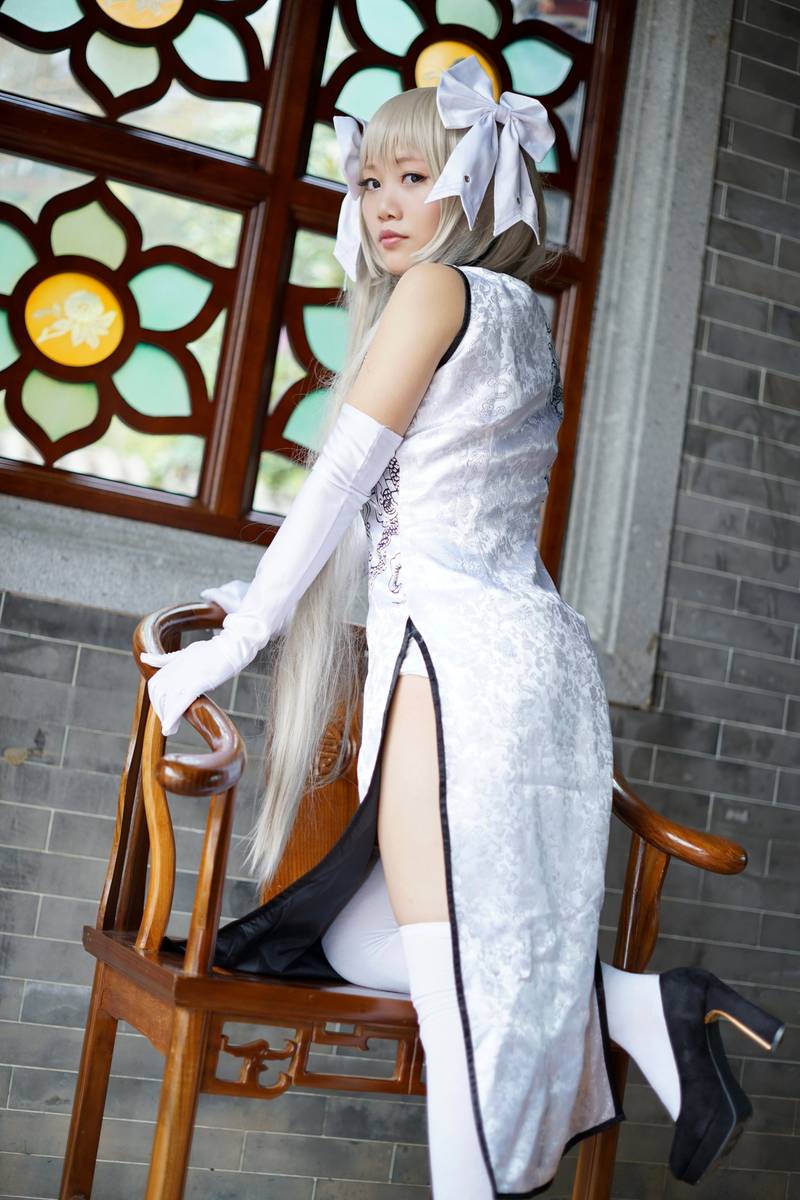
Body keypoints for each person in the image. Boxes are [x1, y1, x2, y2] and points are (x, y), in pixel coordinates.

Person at [142, 56, 785, 1199]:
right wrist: (262, 596)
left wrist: (231, 648)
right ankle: (650, 1006)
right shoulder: (517, 311)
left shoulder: (436, 293)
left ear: (474, 181)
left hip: (459, 671)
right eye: (367, 181)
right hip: (525, 665)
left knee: (453, 998)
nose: (383, 205)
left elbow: (339, 486)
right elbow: (420, 511)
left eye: (413, 176)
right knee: (363, 944)